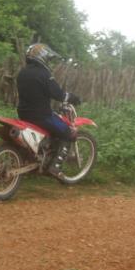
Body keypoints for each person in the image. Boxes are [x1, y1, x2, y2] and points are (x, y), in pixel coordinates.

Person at [16, 43, 81, 177]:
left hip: (23, 113)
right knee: (68, 133)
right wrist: (72, 97)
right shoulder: (44, 74)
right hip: (42, 116)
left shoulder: (22, 73)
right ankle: (55, 168)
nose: (49, 62)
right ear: (42, 57)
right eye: (48, 59)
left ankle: (39, 157)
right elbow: (58, 94)